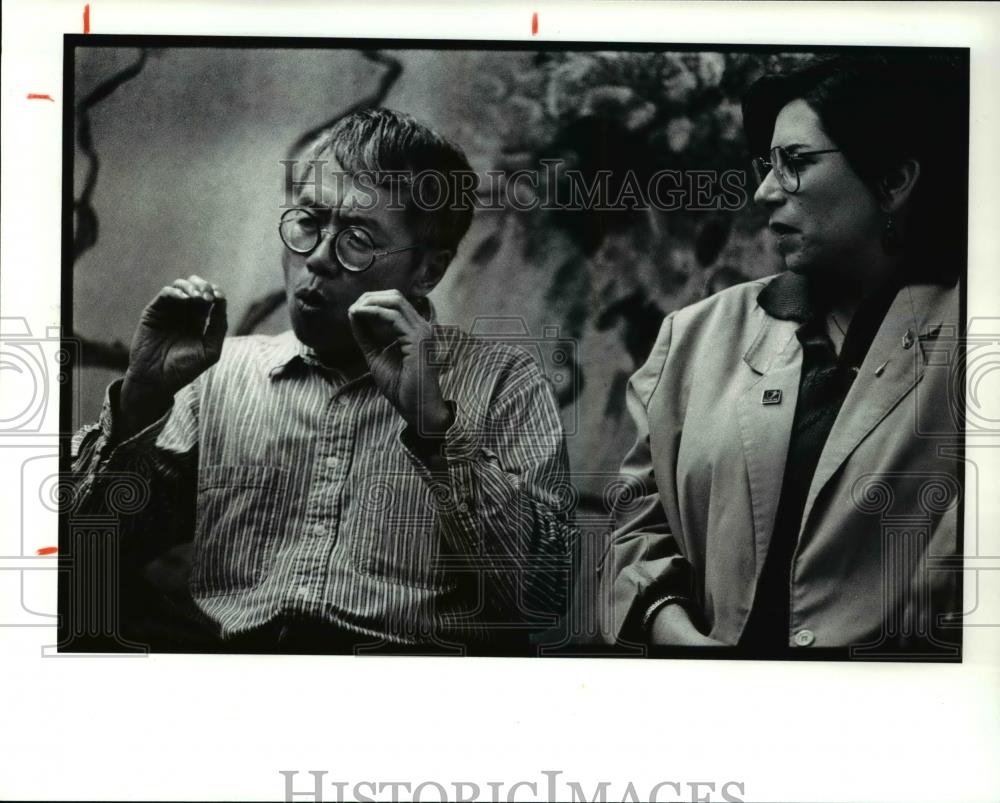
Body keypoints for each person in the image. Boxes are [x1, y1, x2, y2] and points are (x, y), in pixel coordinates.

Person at [70, 108, 572, 655]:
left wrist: (436, 433)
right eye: (308, 221)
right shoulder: (217, 376)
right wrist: (141, 400)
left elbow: (542, 599)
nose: (317, 258)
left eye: (358, 239)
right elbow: (79, 559)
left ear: (428, 270)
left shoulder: (502, 381)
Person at [599, 54, 966, 655]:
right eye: (767, 165)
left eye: (794, 163)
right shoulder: (696, 335)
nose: (766, 190)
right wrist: (674, 629)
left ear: (894, 180)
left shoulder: (972, 335)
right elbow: (637, 527)